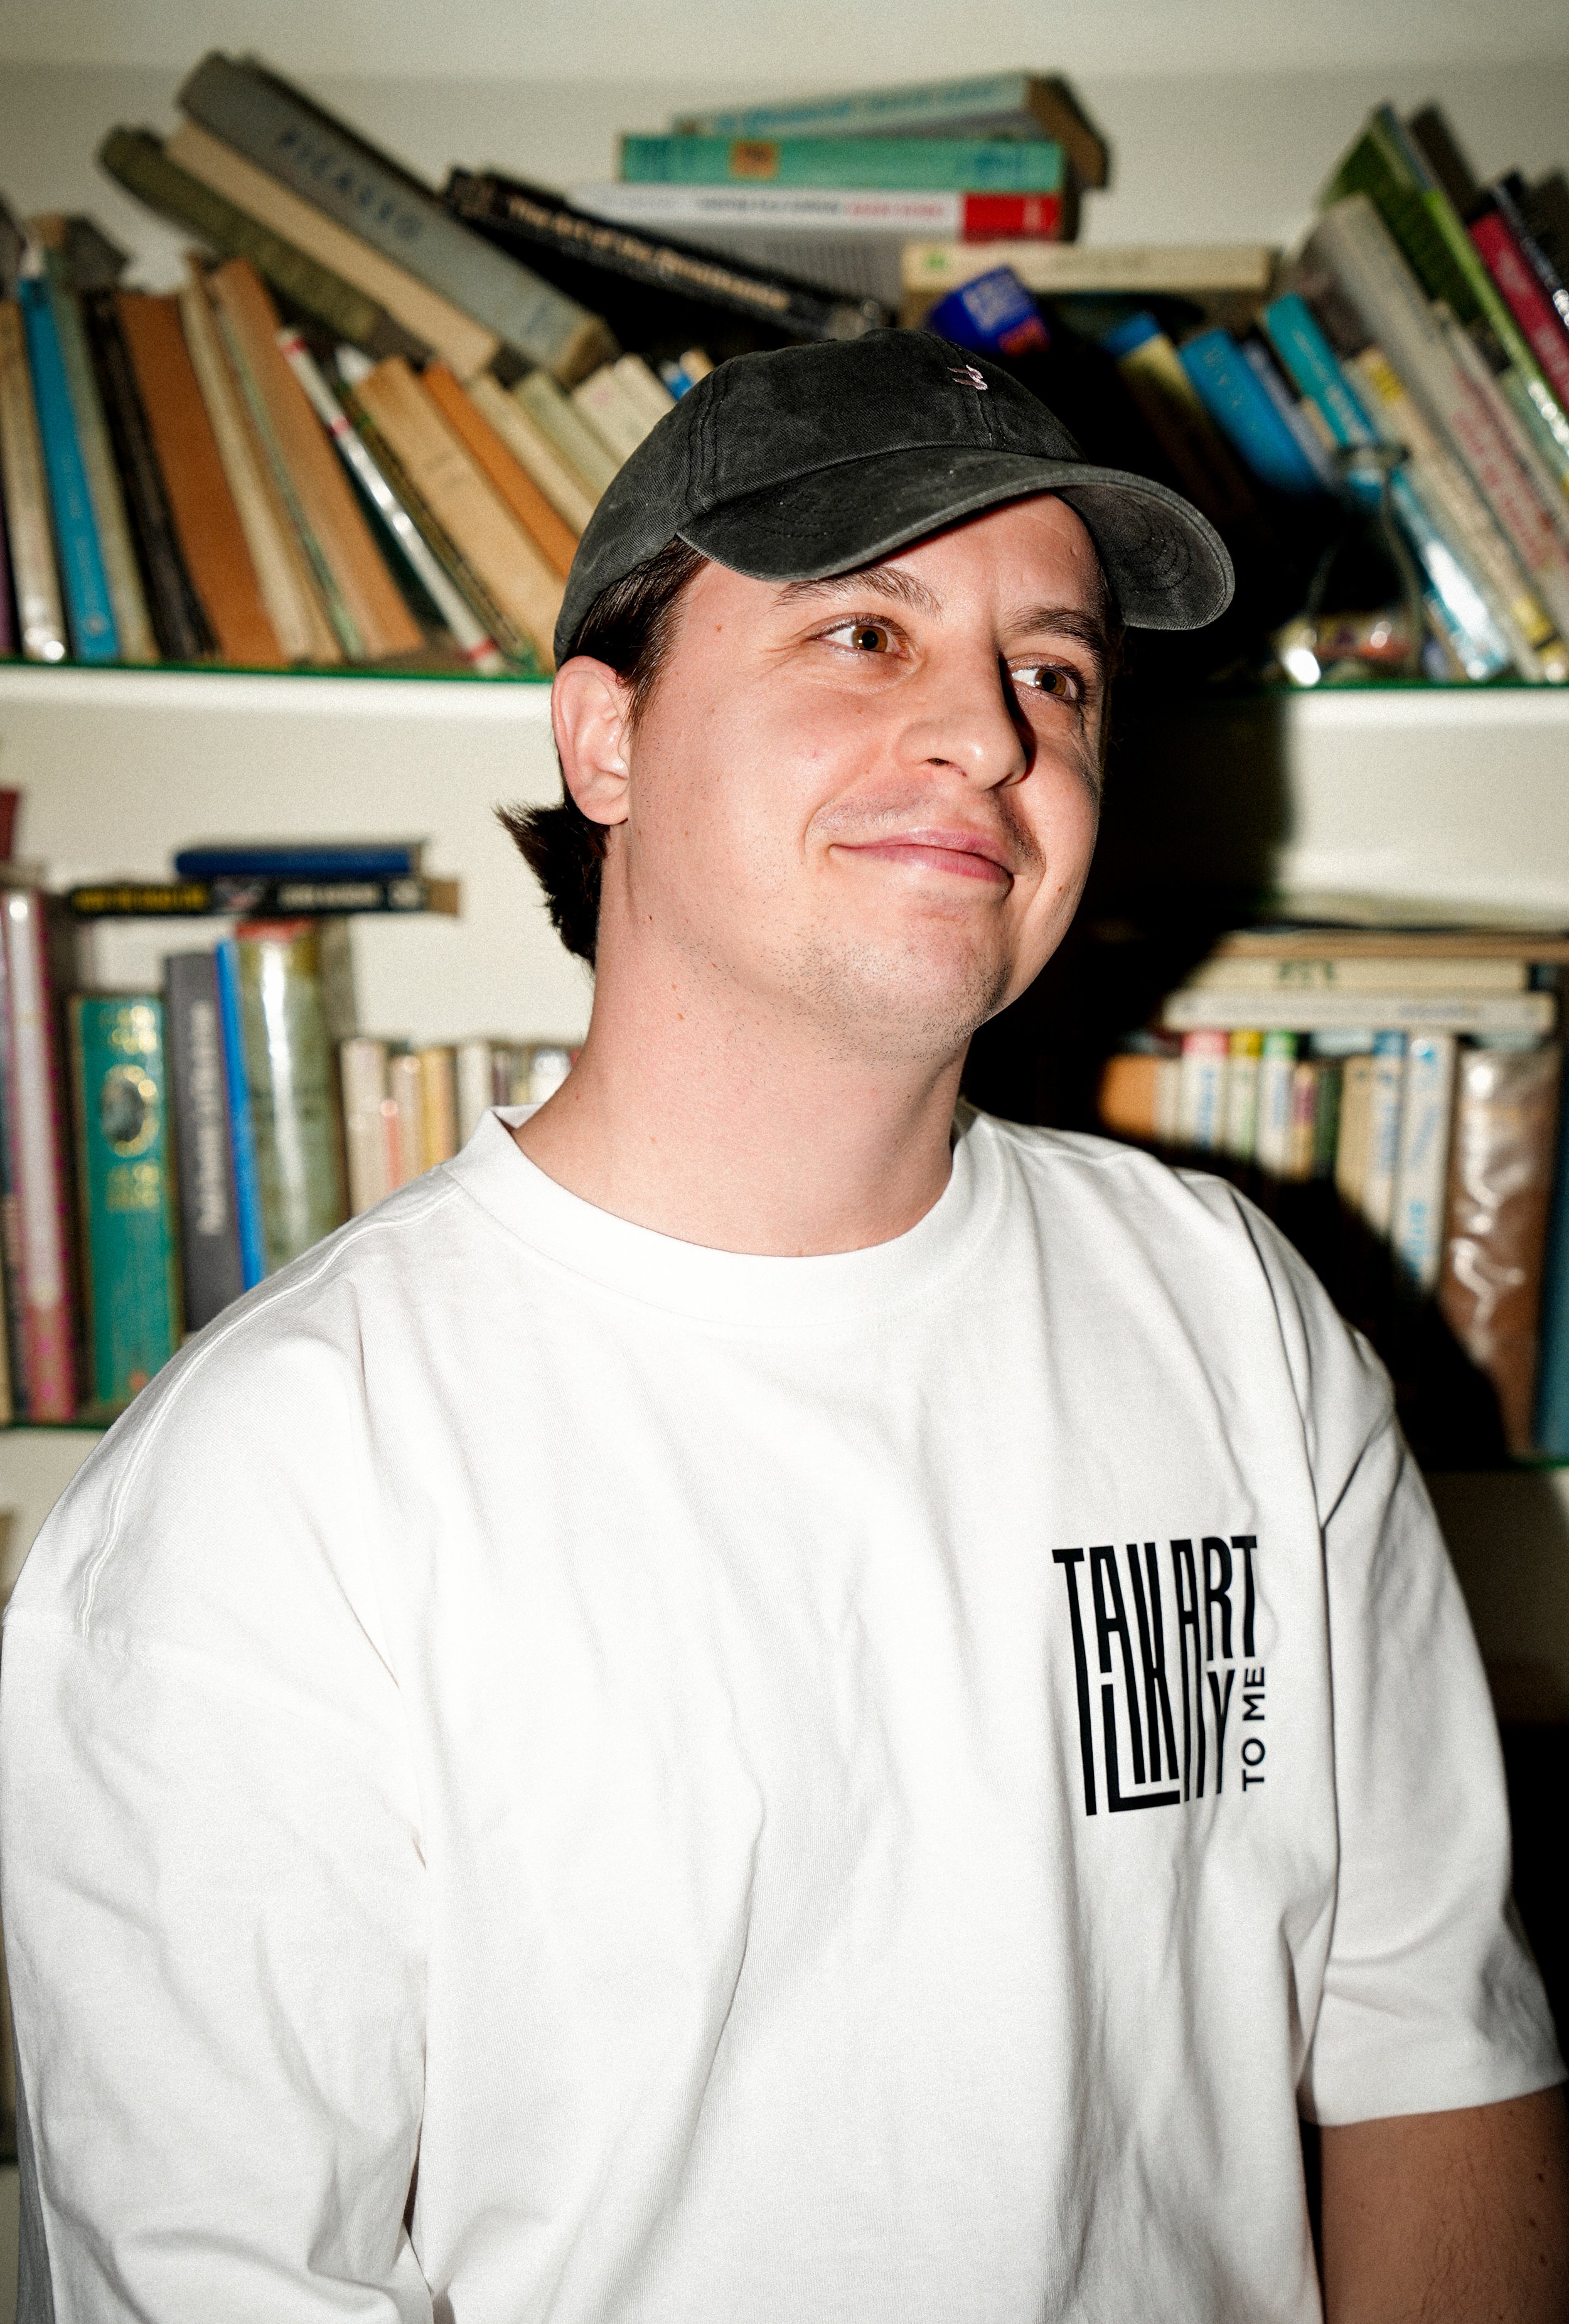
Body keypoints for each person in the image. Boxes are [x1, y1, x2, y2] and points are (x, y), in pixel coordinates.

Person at [2, 329, 1564, 2323]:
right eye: (862, 635)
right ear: (606, 741)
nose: (988, 736)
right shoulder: (278, 1477)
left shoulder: (1229, 1312)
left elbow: (1429, 2049)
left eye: (1055, 673)